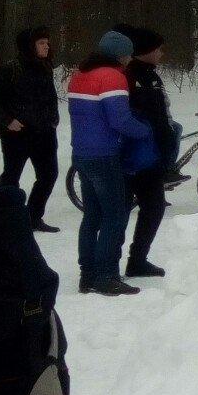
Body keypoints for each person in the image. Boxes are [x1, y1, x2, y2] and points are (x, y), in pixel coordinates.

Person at [67, 30, 152, 296]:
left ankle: (87, 275)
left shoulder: (79, 74)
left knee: (92, 216)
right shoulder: (113, 77)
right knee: (115, 216)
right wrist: (145, 130)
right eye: (127, 55)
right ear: (120, 55)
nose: (129, 60)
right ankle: (106, 275)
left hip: (81, 154)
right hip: (104, 155)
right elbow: (119, 120)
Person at [0, 24, 61, 232]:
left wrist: (53, 118)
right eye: (41, 43)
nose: (47, 46)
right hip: (18, 134)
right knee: (11, 177)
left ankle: (32, 218)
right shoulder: (11, 68)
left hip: (45, 133)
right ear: (30, 45)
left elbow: (48, 96)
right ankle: (3, 221)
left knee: (49, 175)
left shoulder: (45, 67)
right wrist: (7, 120)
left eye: (47, 42)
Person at [117, 26, 178, 279]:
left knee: (153, 208)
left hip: (151, 155)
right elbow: (138, 117)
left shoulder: (150, 75)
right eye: (160, 49)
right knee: (124, 210)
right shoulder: (130, 76)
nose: (163, 53)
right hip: (136, 154)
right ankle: (114, 262)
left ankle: (136, 259)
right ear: (148, 50)